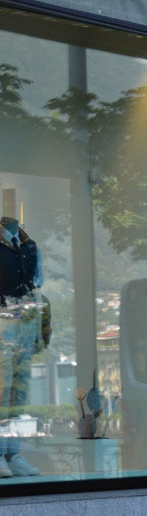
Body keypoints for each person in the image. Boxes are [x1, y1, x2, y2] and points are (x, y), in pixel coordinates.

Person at [0, 188, 49, 478]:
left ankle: (13, 452)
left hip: (25, 321)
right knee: (2, 386)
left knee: (19, 389)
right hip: (2, 320)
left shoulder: (30, 246)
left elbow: (37, 284)